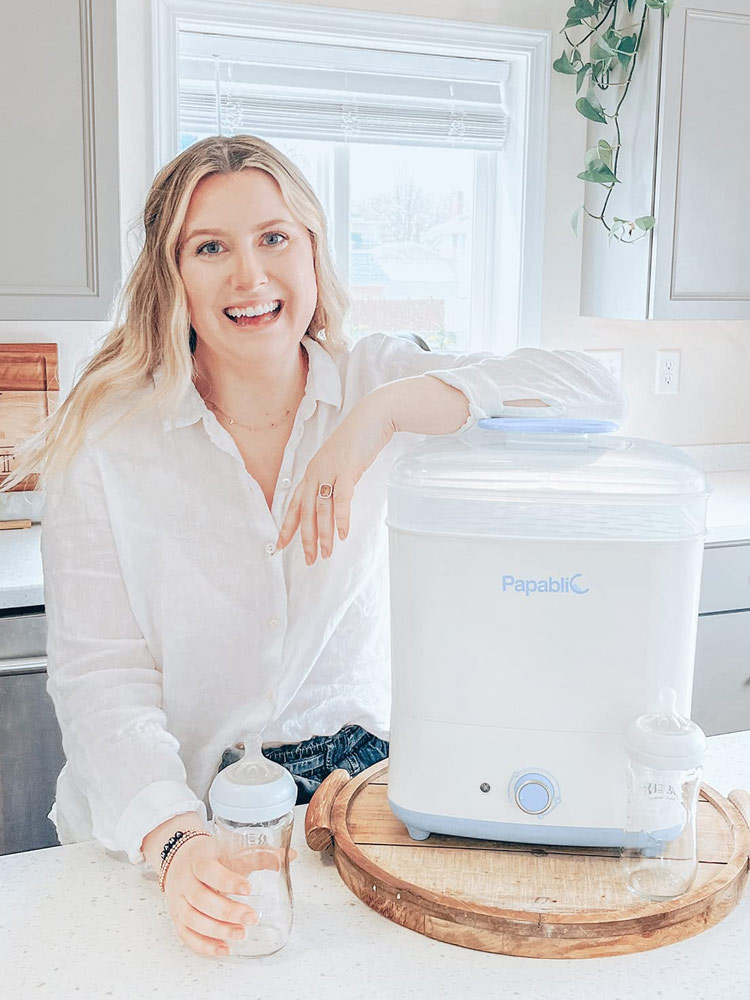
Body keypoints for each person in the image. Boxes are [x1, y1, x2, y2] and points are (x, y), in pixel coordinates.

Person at [3, 135, 627, 958]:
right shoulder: (109, 439)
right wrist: (178, 845)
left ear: (312, 251)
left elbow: (595, 388)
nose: (250, 277)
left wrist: (384, 414)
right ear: (171, 274)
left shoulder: (376, 383)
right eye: (210, 247)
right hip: (164, 827)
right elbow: (101, 683)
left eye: (274, 238)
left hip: (355, 813)